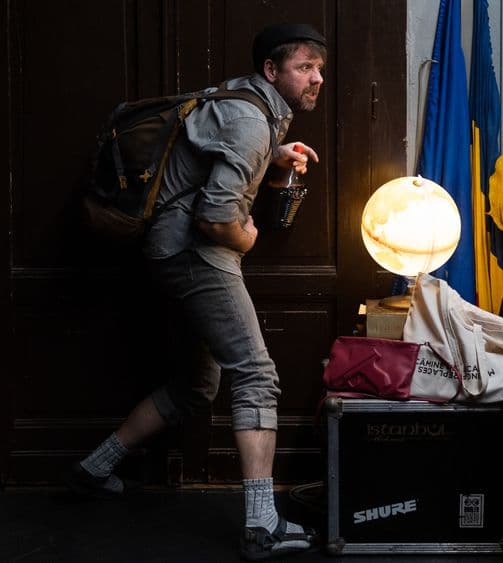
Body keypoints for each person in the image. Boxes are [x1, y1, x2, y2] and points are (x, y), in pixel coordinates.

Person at [67, 23, 327, 561]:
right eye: (304, 67)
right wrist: (246, 235)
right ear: (272, 72)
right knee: (256, 373)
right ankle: (261, 524)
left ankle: (96, 467)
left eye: (319, 69)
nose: (316, 78)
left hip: (169, 252)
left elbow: (214, 152)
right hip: (195, 254)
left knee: (194, 385)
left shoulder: (241, 104)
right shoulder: (251, 121)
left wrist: (275, 154)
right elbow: (215, 221)